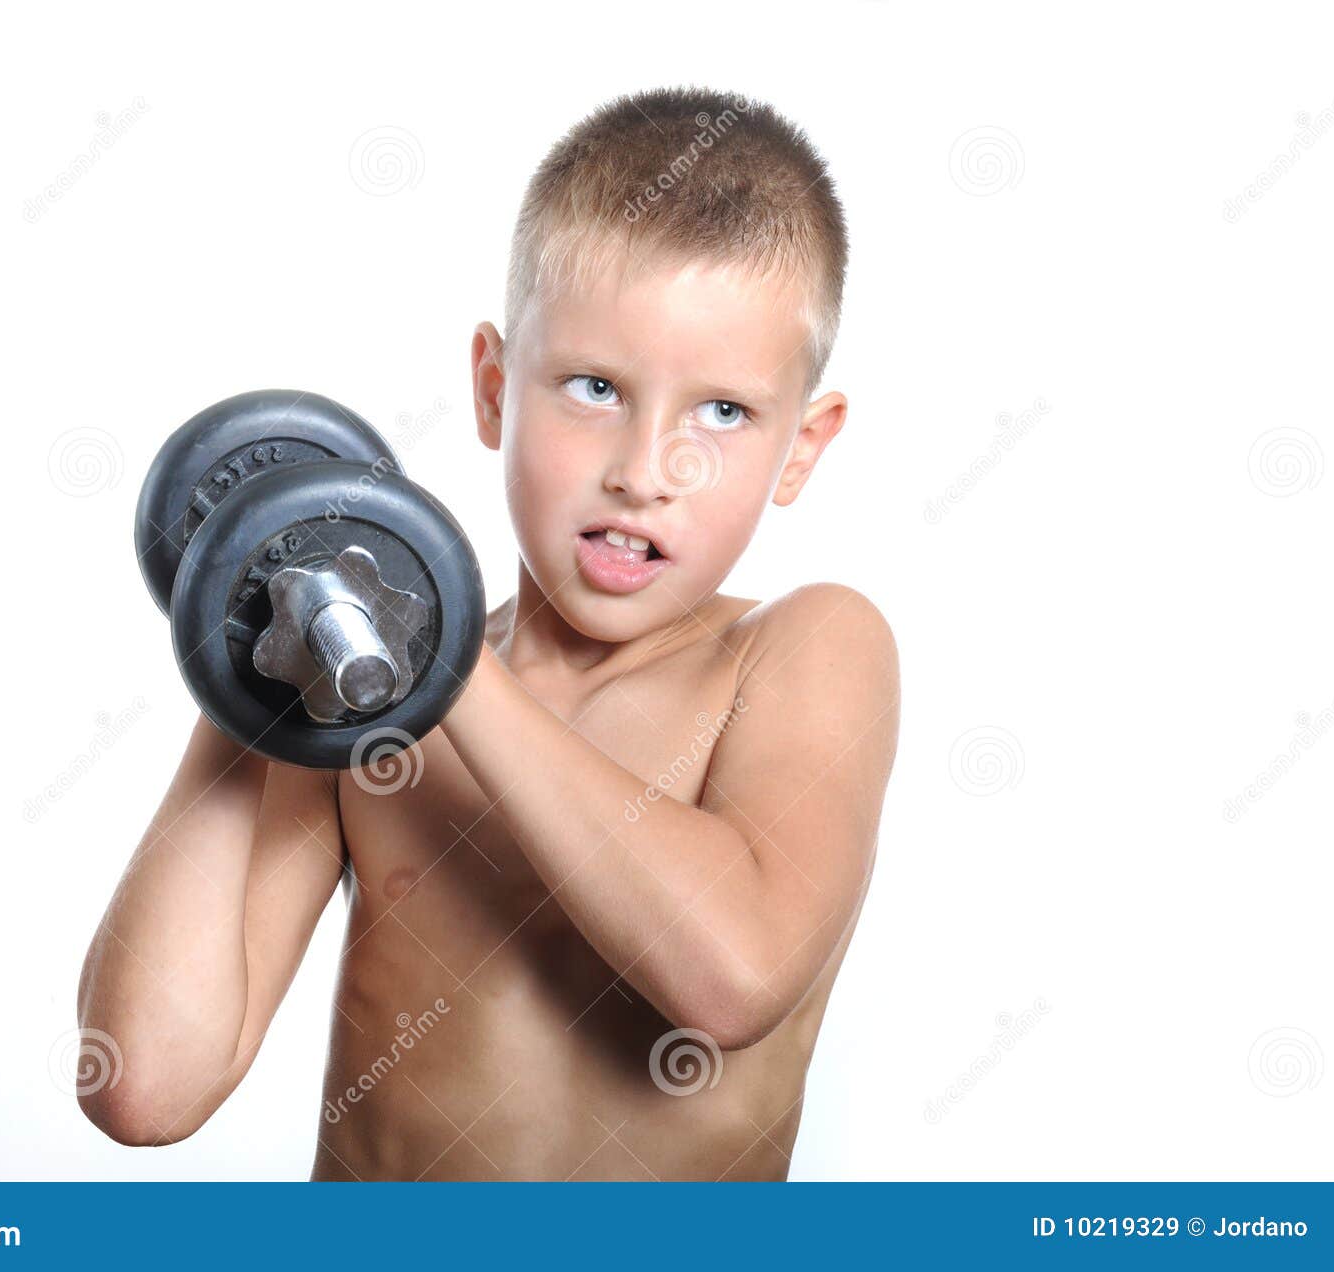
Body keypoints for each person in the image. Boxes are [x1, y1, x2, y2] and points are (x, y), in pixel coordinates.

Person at [78, 85, 901, 1181]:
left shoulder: (803, 650)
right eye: (595, 387)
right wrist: (246, 618)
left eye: (721, 412)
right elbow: (145, 1085)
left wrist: (445, 661)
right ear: (493, 386)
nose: (644, 472)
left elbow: (729, 976)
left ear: (803, 446)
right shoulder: (358, 693)